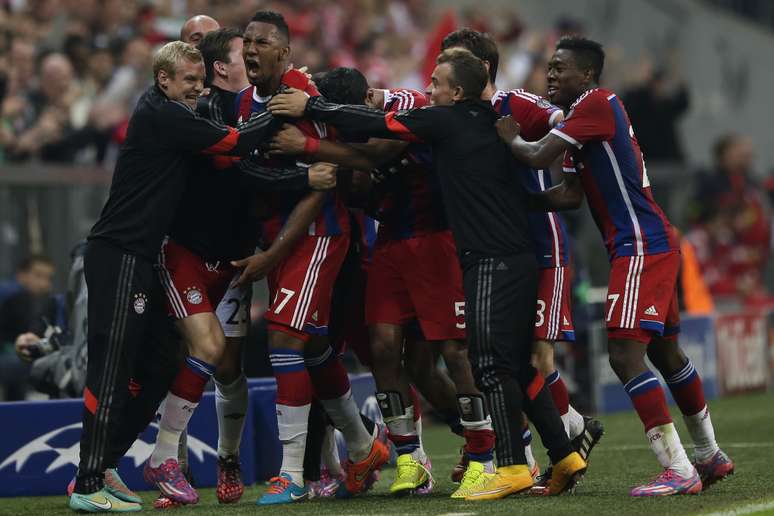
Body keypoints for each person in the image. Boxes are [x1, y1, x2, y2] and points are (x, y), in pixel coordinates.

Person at [269, 47, 586, 501]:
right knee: (474, 357)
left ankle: (501, 459)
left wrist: (311, 129)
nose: (427, 88)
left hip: (470, 250)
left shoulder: (439, 118)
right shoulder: (471, 117)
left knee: (479, 358)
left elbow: (379, 139)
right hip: (448, 248)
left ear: (457, 90)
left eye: (437, 81)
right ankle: (545, 454)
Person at [496, 35, 734, 496]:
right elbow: (567, 194)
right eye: (548, 68)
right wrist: (523, 201)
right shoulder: (580, 122)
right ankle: (709, 455)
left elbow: (536, 153)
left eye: (559, 68)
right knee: (664, 351)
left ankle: (680, 469)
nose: (550, 76)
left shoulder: (597, 103)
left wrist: (509, 137)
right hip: (648, 241)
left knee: (625, 354)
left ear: (585, 74)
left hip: (640, 244)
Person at [68, 40, 295, 513]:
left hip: (143, 257)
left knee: (160, 364)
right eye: (188, 81)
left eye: (199, 80)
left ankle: (105, 464)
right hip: (120, 253)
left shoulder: (172, 112)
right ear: (163, 80)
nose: (196, 89)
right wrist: (280, 108)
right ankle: (88, 483)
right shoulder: (165, 115)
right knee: (111, 369)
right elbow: (236, 143)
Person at [270, 66, 495, 499]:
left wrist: (313, 146)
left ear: (368, 99)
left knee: (453, 353)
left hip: (437, 240)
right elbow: (357, 189)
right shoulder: (344, 135)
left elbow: (377, 154)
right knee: (383, 349)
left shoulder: (407, 105)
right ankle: (411, 459)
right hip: (390, 245)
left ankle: (486, 453)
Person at [143, 28, 336, 508]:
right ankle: (164, 462)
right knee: (192, 352)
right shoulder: (204, 112)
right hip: (186, 251)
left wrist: (299, 98)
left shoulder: (248, 105)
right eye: (241, 50)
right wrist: (303, 168)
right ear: (220, 68)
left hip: (233, 260)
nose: (250, 55)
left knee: (226, 366)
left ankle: (223, 460)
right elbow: (242, 167)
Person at [232, 11, 388, 505]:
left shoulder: (303, 95)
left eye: (262, 42)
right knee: (314, 345)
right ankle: (364, 447)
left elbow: (323, 182)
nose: (251, 50)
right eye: (246, 42)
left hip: (319, 233)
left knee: (283, 337)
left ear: (284, 51)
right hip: (278, 239)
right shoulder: (243, 103)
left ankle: (292, 474)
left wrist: (274, 252)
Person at [440, 27, 604, 492]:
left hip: (539, 244)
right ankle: (558, 438)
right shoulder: (456, 115)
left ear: (480, 69)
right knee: (513, 358)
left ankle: (549, 443)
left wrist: (542, 148)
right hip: (498, 247)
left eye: (453, 60)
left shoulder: (513, 104)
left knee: (532, 354)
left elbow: (562, 119)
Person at [0, 255, 56, 401]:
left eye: (48, 278)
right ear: (21, 275)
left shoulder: (52, 303)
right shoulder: (12, 299)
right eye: (37, 275)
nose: (43, 283)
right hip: (11, 352)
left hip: (40, 352)